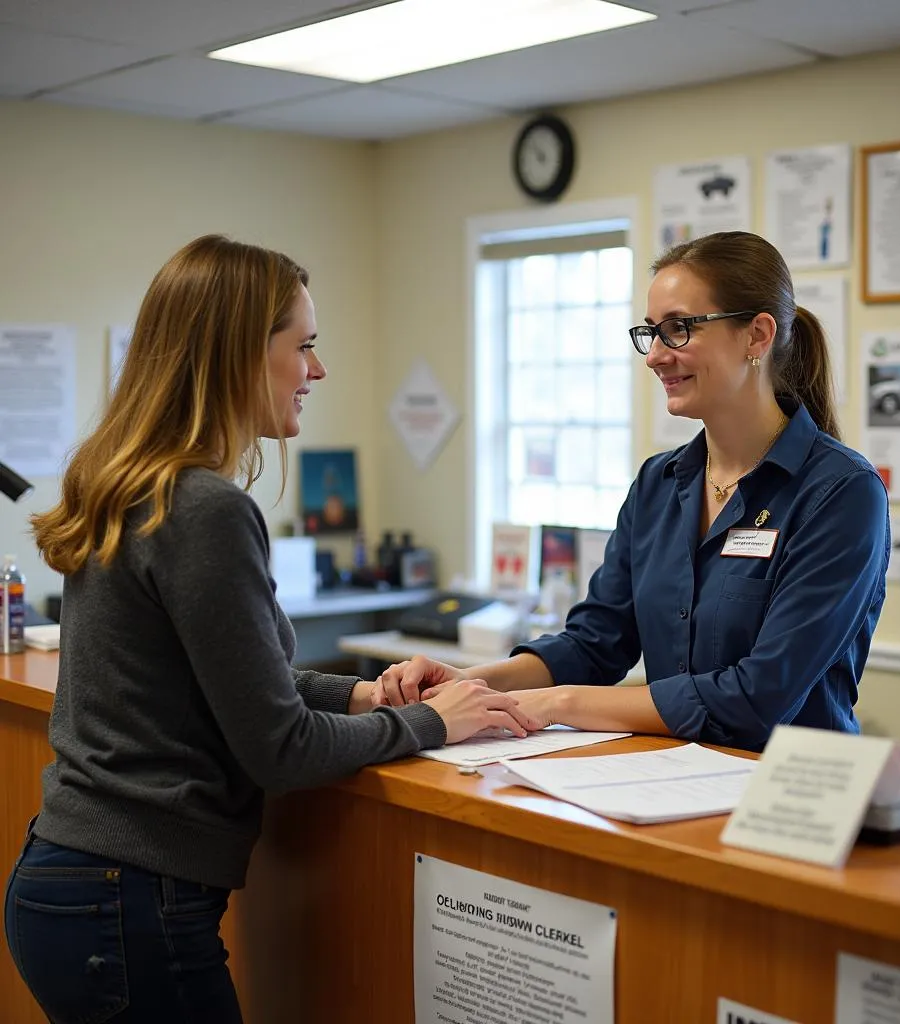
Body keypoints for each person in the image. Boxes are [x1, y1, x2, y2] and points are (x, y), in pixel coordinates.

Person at [3, 235, 537, 1023]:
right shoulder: (207, 509)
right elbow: (280, 750)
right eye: (305, 346)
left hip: (75, 885)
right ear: (236, 354)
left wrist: (362, 694)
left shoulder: (134, 483)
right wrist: (428, 722)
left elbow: (228, 680)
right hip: (126, 901)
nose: (317, 372)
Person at [375, 231, 890, 752]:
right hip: (666, 784)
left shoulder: (841, 493)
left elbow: (756, 698)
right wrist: (467, 683)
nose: (656, 356)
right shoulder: (658, 485)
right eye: (651, 333)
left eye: (679, 329)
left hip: (789, 803)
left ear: (757, 336)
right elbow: (595, 644)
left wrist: (557, 704)